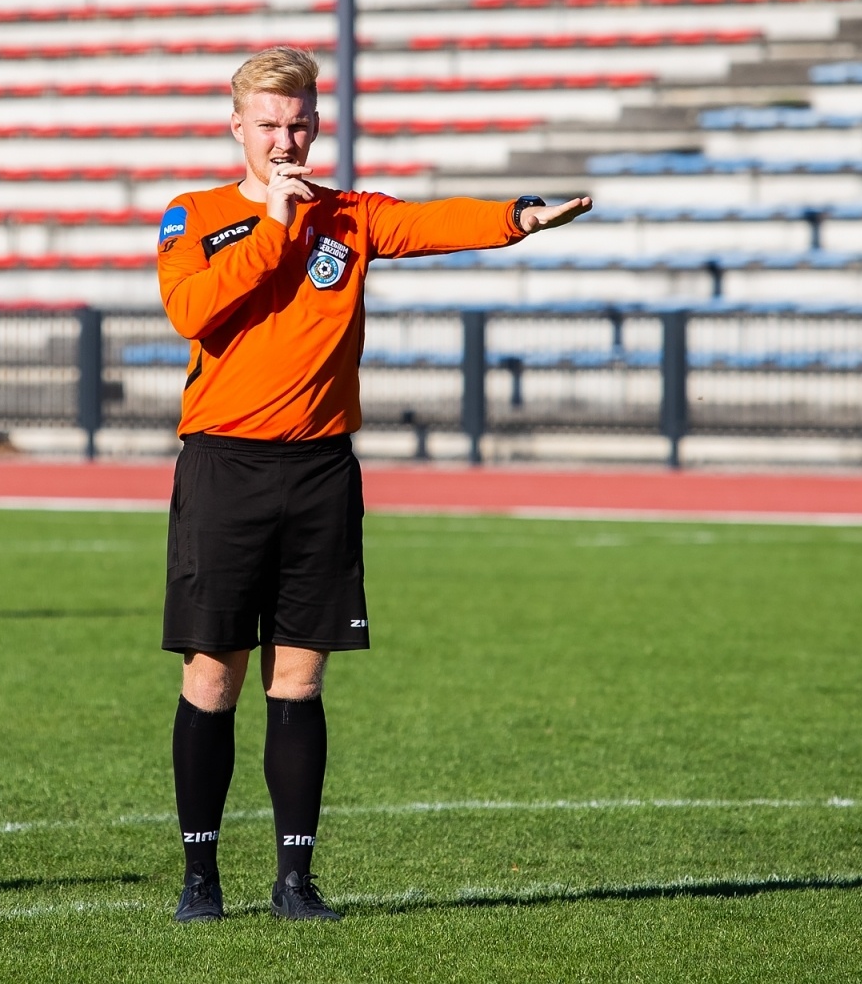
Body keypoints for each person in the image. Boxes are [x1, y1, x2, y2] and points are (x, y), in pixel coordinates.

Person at [155, 46, 590, 923]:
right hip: (224, 467)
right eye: (270, 124)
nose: (287, 139)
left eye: (300, 122)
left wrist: (518, 216)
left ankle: (294, 881)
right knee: (214, 677)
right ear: (236, 125)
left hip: (319, 471)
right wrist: (275, 228)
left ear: (318, 123)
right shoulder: (192, 215)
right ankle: (200, 880)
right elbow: (191, 313)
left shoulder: (352, 215)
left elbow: (431, 222)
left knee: (301, 682)